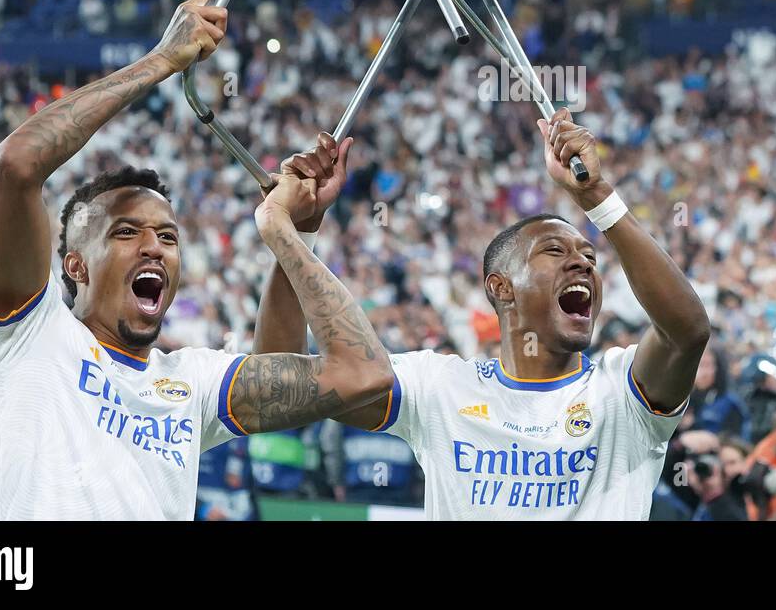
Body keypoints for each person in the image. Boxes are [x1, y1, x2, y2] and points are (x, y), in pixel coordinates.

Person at [0, 0, 394, 519]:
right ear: (75, 264)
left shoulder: (188, 382)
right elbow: (18, 165)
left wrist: (294, 234)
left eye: (168, 236)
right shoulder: (27, 331)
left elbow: (361, 374)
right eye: (126, 232)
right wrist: (162, 61)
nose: (154, 247)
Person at [256, 107, 710, 519]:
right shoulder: (438, 389)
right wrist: (297, 234)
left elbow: (686, 332)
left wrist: (597, 196)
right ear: (501, 287)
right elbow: (274, 382)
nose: (583, 263)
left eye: (590, 257)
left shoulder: (621, 392)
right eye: (554, 250)